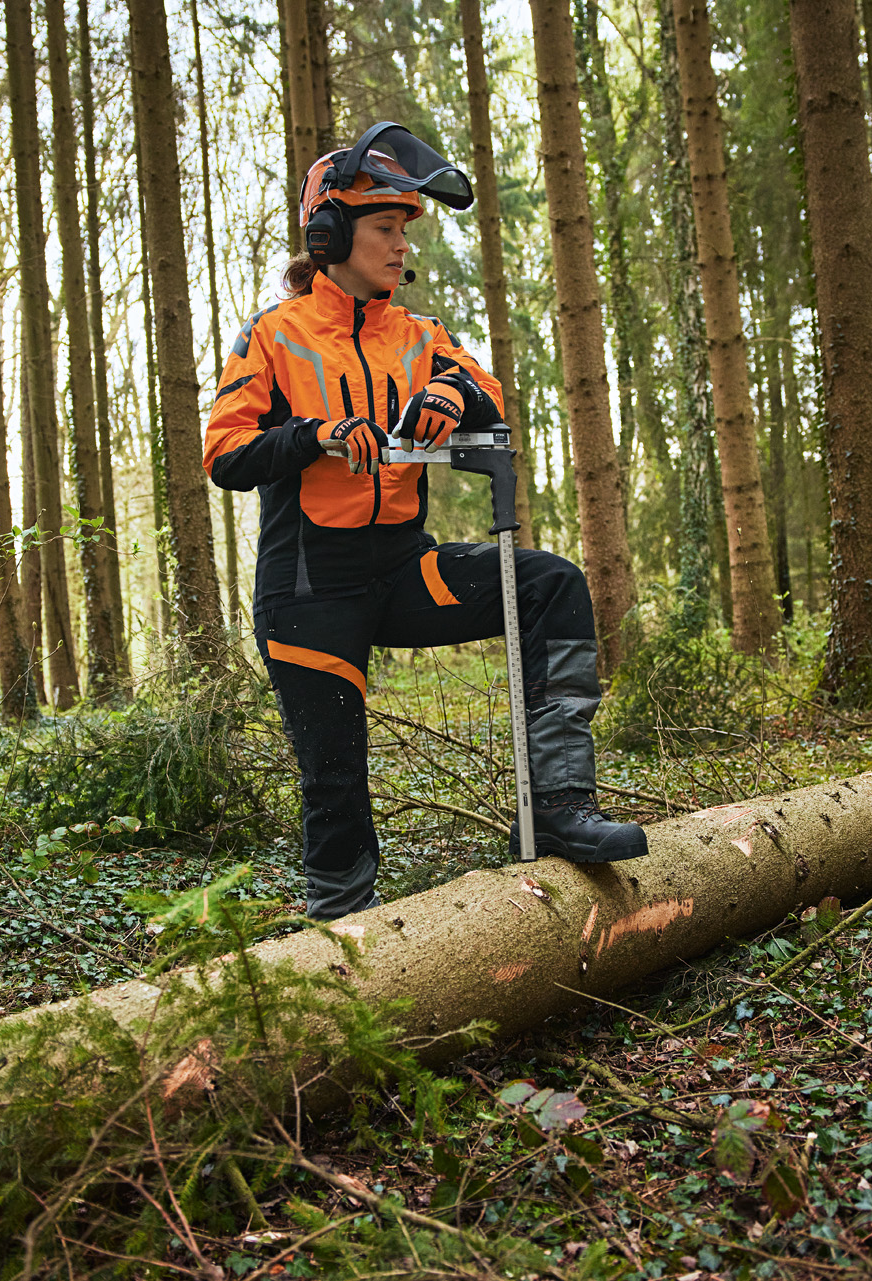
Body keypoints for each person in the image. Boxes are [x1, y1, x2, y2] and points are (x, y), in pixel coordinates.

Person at [203, 123, 647, 921]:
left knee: (551, 585)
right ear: (331, 234)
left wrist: (451, 396)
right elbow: (226, 452)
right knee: (335, 777)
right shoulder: (274, 336)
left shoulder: (419, 336)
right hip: (308, 590)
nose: (401, 246)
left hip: (406, 569)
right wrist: (314, 435)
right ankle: (344, 938)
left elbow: (488, 390)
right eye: (385, 228)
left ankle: (561, 805)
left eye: (406, 229)